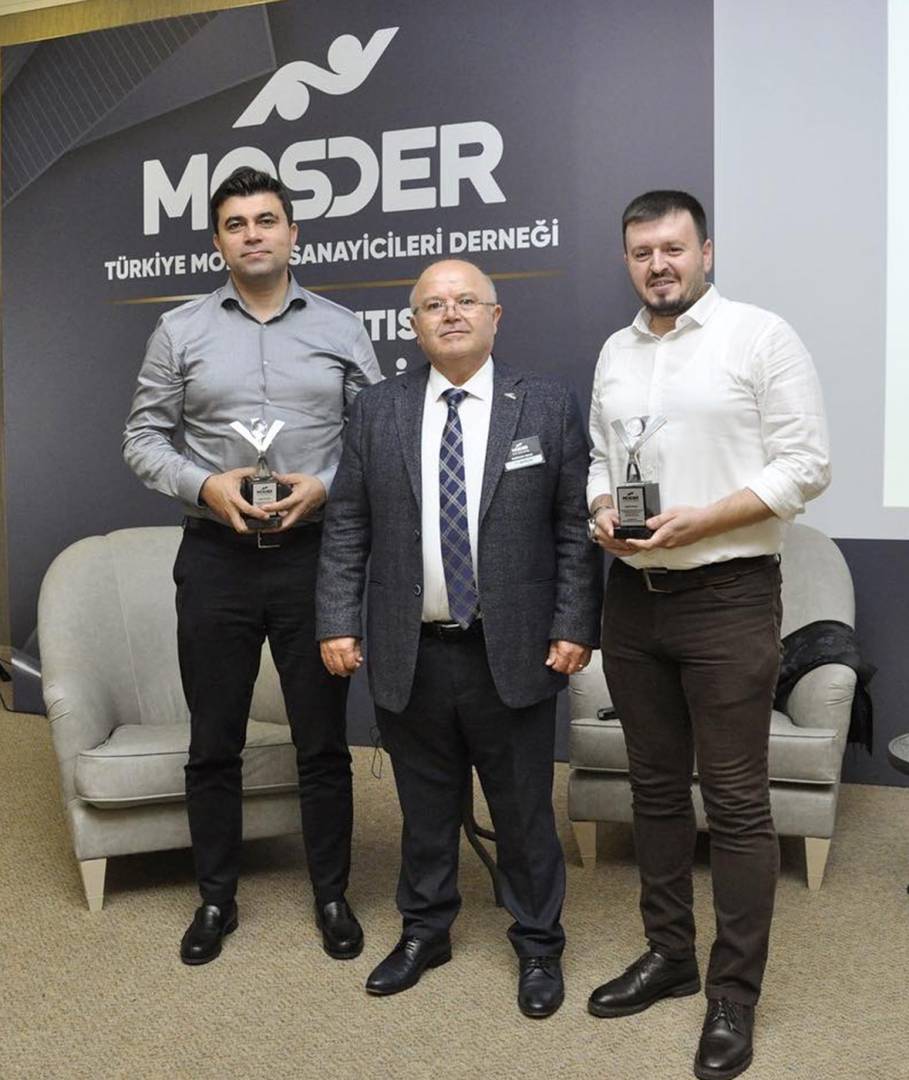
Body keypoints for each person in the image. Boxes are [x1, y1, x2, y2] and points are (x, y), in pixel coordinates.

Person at [586, 190, 830, 1079]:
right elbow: (599, 456)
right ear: (627, 261)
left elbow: (805, 465)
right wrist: (601, 508)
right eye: (641, 251)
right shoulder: (614, 352)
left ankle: (732, 994)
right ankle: (669, 955)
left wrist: (706, 519)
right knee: (652, 791)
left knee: (733, 802)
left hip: (727, 594)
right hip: (632, 598)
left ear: (705, 252)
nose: (658, 264)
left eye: (673, 248)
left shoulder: (759, 337)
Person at [316, 259, 601, 1017]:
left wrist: (574, 623)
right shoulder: (378, 408)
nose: (450, 314)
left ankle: (538, 942)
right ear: (412, 324)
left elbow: (573, 528)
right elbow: (347, 523)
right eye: (433, 305)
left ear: (495, 316)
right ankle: (425, 930)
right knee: (425, 808)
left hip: (514, 649)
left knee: (524, 812)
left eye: (466, 301)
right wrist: (337, 619)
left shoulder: (544, 404)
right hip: (410, 647)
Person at [122, 166, 381, 965]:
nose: (253, 235)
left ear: (292, 233)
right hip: (217, 560)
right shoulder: (179, 330)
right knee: (213, 741)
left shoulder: (341, 329)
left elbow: (375, 438)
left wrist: (325, 486)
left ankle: (332, 895)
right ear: (218, 242)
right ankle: (215, 899)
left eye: (266, 220)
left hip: (313, 560)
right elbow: (141, 439)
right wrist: (203, 483)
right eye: (236, 224)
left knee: (323, 744)